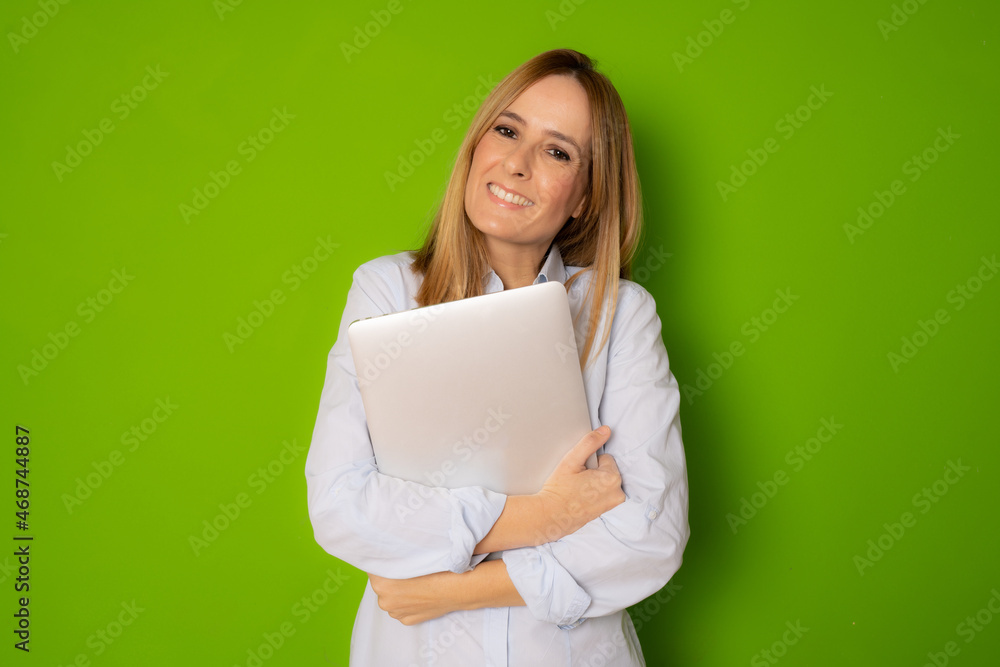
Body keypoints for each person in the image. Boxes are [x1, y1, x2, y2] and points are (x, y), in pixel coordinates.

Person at [305, 48, 689, 666]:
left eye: (558, 151)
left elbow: (653, 535)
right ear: (478, 145)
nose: (516, 164)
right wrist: (544, 517)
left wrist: (448, 589)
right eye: (507, 131)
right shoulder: (386, 292)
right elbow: (343, 506)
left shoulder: (621, 314)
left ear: (587, 196)